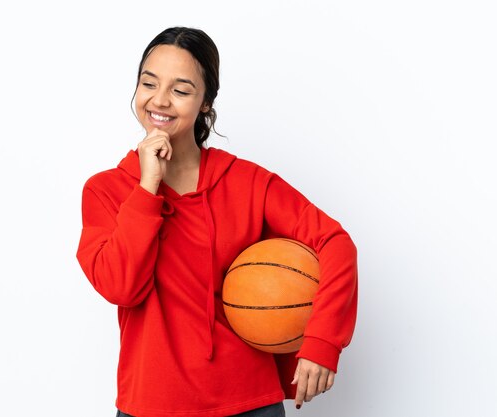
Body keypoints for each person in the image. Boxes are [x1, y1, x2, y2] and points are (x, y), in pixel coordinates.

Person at [77, 26, 358, 417]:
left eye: (181, 89)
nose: (160, 100)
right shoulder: (106, 190)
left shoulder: (247, 182)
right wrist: (147, 188)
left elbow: (334, 242)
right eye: (149, 83)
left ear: (206, 102)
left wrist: (323, 341)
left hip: (249, 401)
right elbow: (121, 286)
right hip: (151, 404)